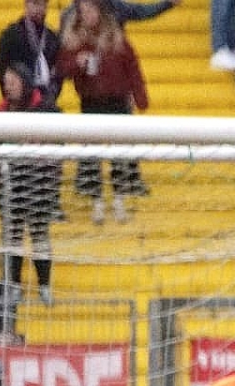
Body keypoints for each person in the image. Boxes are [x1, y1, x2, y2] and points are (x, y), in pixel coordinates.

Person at [60, 0, 149, 225]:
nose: (87, 15)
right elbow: (62, 68)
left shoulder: (116, 37)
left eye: (90, 10)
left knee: (120, 153)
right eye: (83, 11)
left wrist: (140, 97)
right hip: (91, 102)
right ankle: (97, 200)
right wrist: (77, 63)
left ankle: (119, 197)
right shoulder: (74, 39)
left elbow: (133, 68)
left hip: (117, 102)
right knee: (92, 154)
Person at [0, 63, 64, 307]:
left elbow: (59, 144)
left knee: (39, 235)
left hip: (39, 186)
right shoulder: (0, 112)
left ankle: (44, 285)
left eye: (12, 82)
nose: (8, 87)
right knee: (12, 236)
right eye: (6, 83)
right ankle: (14, 286)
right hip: (9, 186)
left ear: (24, 82)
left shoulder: (46, 110)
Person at [0, 0, 62, 100]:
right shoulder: (10, 35)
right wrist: (11, 96)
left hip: (46, 100)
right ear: (26, 4)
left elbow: (57, 72)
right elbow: (2, 69)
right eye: (35, 3)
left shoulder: (52, 38)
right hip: (19, 100)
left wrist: (50, 97)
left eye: (43, 4)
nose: (40, 8)